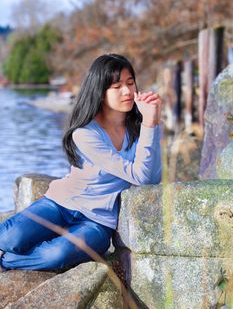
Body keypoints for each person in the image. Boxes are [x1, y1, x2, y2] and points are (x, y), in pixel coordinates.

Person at [0, 54, 162, 271]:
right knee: (11, 237)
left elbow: (148, 178)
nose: (128, 92)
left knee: (56, 254)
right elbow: (138, 173)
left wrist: (151, 123)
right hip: (60, 205)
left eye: (131, 83)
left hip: (98, 223)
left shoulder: (143, 128)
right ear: (100, 92)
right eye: (117, 86)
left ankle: (7, 261)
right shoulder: (84, 133)